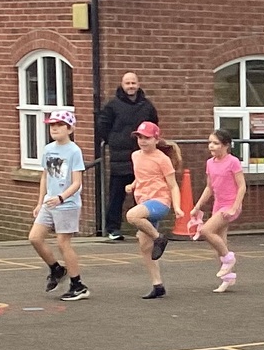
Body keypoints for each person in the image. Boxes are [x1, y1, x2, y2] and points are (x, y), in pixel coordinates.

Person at [30, 108, 88, 302]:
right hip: (49, 202)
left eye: (60, 125)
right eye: (52, 125)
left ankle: (78, 285)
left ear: (70, 129)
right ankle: (56, 269)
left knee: (63, 243)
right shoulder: (48, 149)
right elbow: (45, 177)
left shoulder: (74, 151)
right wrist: (40, 202)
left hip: (67, 204)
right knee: (35, 238)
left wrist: (61, 198)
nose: (54, 129)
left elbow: (77, 182)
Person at [95, 72, 158, 240]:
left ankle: (142, 228)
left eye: (133, 83)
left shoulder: (147, 106)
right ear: (122, 85)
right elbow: (102, 126)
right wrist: (114, 141)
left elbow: (153, 126)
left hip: (142, 158)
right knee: (117, 195)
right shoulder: (112, 105)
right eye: (127, 83)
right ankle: (113, 228)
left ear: (138, 84)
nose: (131, 86)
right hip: (120, 158)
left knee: (143, 194)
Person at [124, 121, 182, 299]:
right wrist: (133, 185)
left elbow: (173, 185)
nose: (142, 141)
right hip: (144, 202)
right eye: (140, 137)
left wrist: (177, 207)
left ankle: (159, 238)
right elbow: (142, 176)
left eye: (147, 138)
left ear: (156, 139)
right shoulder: (135, 156)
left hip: (159, 202)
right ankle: (158, 285)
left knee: (131, 215)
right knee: (145, 247)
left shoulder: (162, 159)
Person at [191, 129, 246, 292]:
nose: (211, 146)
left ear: (226, 145)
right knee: (220, 242)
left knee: (206, 230)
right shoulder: (210, 163)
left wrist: (234, 208)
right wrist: (197, 207)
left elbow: (242, 186)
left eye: (215, 143)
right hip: (218, 205)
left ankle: (229, 258)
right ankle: (228, 278)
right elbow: (209, 187)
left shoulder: (233, 162)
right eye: (210, 142)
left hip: (230, 205)